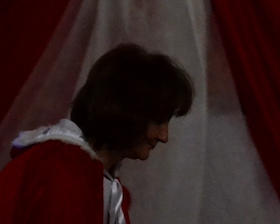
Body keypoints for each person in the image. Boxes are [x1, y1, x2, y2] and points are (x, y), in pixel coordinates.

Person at [0, 43, 194, 224]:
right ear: (126, 113)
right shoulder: (64, 174)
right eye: (158, 122)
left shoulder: (89, 176)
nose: (164, 136)